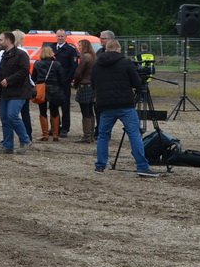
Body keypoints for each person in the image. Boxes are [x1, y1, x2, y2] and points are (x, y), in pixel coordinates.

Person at [90, 39, 159, 178]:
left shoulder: (97, 64)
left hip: (105, 105)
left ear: (106, 49)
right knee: (134, 134)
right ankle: (142, 166)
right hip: (125, 104)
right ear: (118, 49)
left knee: (103, 135)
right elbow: (136, 83)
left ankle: (100, 165)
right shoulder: (125, 62)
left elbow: (93, 84)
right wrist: (141, 82)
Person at [0, 31, 31, 154]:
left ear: (8, 40)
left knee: (12, 115)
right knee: (5, 118)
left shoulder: (21, 54)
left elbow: (24, 71)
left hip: (18, 92)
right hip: (4, 92)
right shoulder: (4, 55)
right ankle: (8, 145)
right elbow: (2, 74)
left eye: (0, 40)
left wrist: (9, 80)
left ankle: (25, 140)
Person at [32, 46, 67, 141]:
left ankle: (45, 134)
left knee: (42, 111)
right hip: (55, 90)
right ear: (51, 53)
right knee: (54, 111)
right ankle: (55, 134)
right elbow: (62, 78)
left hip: (41, 90)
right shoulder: (56, 64)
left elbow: (33, 77)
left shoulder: (37, 64)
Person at [53, 29, 79, 136]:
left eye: (62, 36)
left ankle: (65, 128)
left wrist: (67, 79)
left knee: (65, 106)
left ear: (65, 37)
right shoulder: (52, 47)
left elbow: (73, 67)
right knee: (54, 106)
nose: (60, 38)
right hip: (53, 82)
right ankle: (55, 127)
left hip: (64, 82)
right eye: (58, 36)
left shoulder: (70, 49)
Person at [73, 39, 97, 143]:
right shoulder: (93, 57)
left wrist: (75, 84)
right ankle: (91, 134)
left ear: (84, 46)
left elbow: (78, 73)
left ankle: (86, 135)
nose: (78, 47)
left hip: (84, 85)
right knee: (90, 110)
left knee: (85, 111)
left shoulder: (84, 57)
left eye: (79, 45)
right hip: (92, 85)